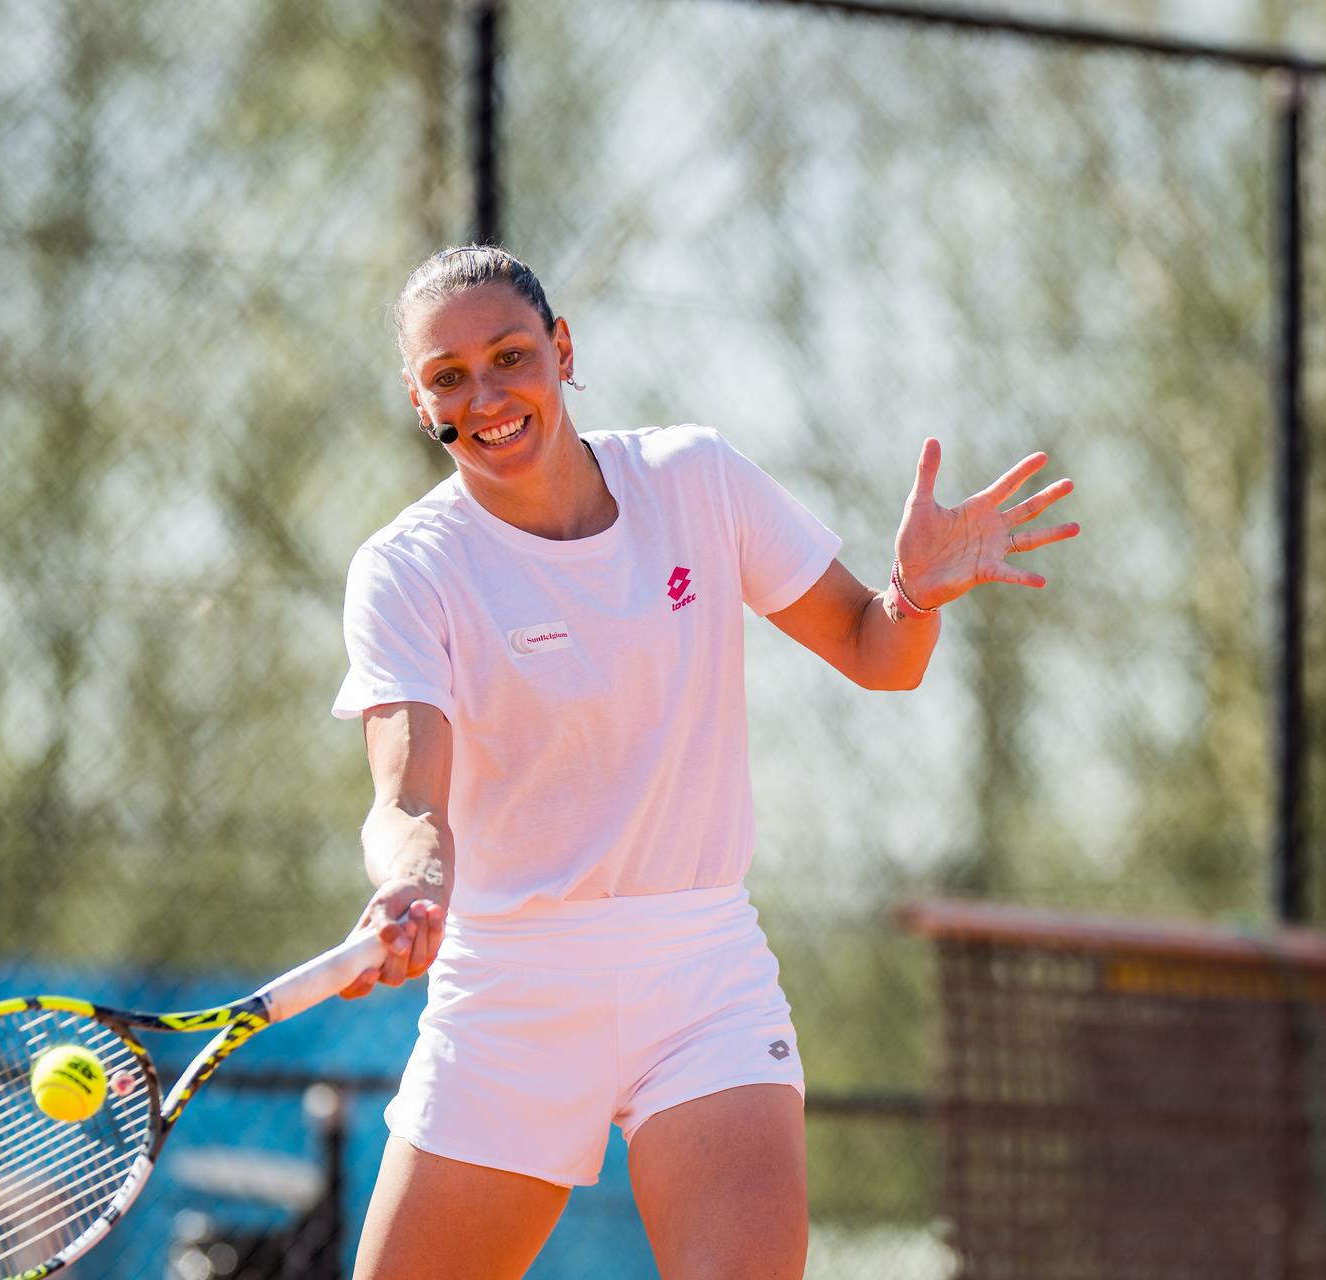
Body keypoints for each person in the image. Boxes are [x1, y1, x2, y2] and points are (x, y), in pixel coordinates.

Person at [331, 245, 1078, 1279]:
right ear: (422, 404)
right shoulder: (408, 568)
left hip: (701, 974)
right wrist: (410, 882)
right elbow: (408, 791)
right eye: (447, 376)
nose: (486, 394)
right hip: (511, 992)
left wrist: (914, 593)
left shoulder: (695, 478)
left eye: (510, 355)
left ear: (562, 351)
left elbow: (877, 651)